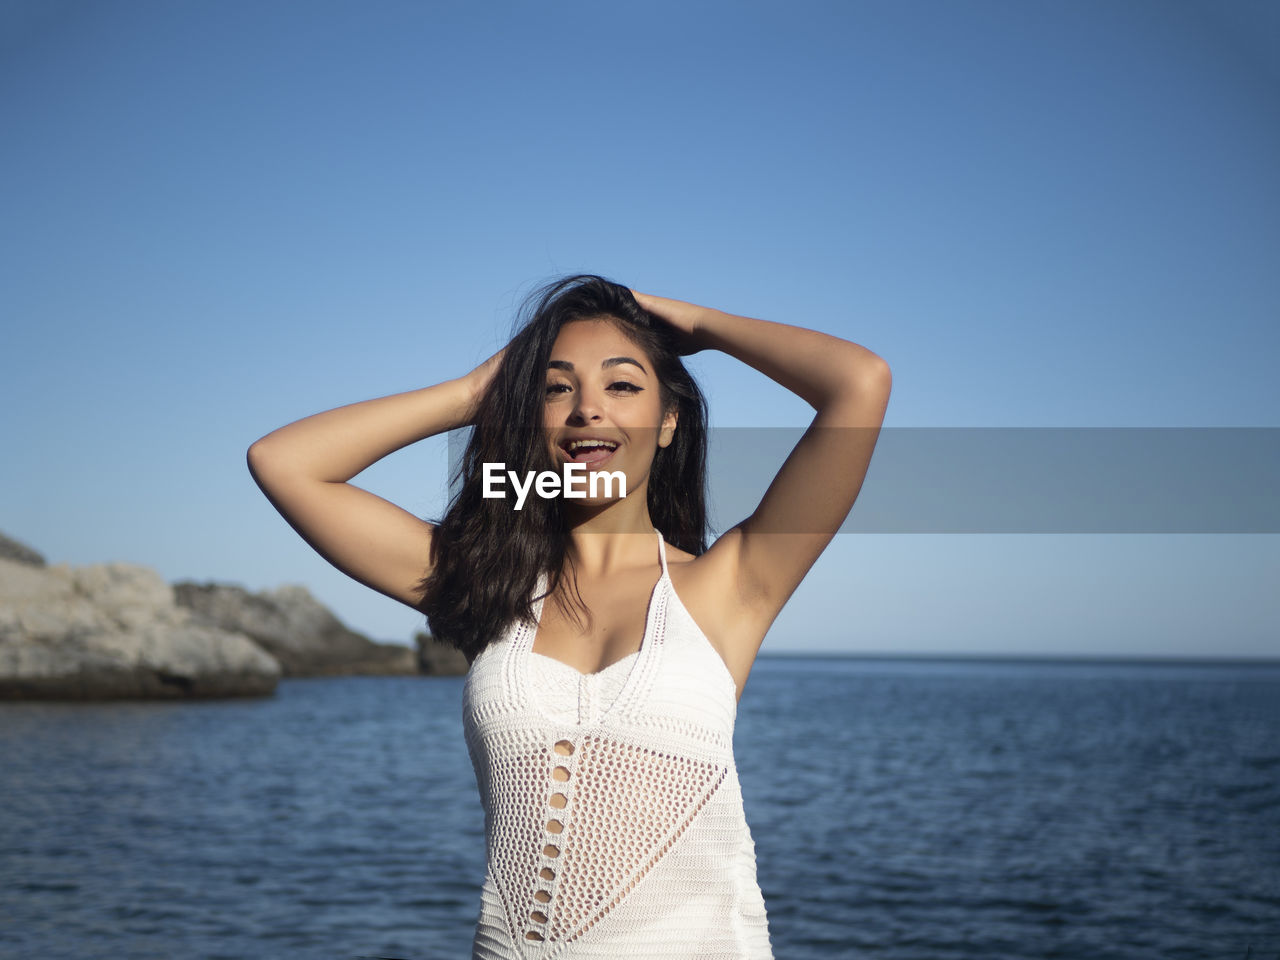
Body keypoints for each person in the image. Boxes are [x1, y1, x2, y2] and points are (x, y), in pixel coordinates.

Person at [247, 275, 891, 958]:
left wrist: (693, 323)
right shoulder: (485, 589)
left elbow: (858, 382)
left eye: (622, 386)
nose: (588, 409)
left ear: (669, 421)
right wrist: (477, 392)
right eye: (557, 389)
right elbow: (285, 463)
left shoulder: (731, 584)